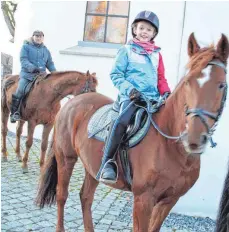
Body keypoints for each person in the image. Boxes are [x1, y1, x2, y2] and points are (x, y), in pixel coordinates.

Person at [96, 10, 171, 184]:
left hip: (152, 98)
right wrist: (130, 91)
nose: (145, 32)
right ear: (134, 30)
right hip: (131, 97)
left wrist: (166, 92)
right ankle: (108, 162)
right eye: (141, 28)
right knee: (122, 120)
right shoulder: (126, 50)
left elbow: (161, 78)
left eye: (149, 30)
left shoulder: (157, 54)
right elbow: (116, 74)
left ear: (154, 34)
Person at [10, 30, 56, 123]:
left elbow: (49, 63)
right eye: (36, 36)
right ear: (33, 37)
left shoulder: (45, 50)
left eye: (40, 36)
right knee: (20, 90)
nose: (38, 38)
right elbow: (23, 60)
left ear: (43, 38)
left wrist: (54, 73)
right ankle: (14, 113)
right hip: (27, 75)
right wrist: (32, 68)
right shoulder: (26, 47)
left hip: (42, 76)